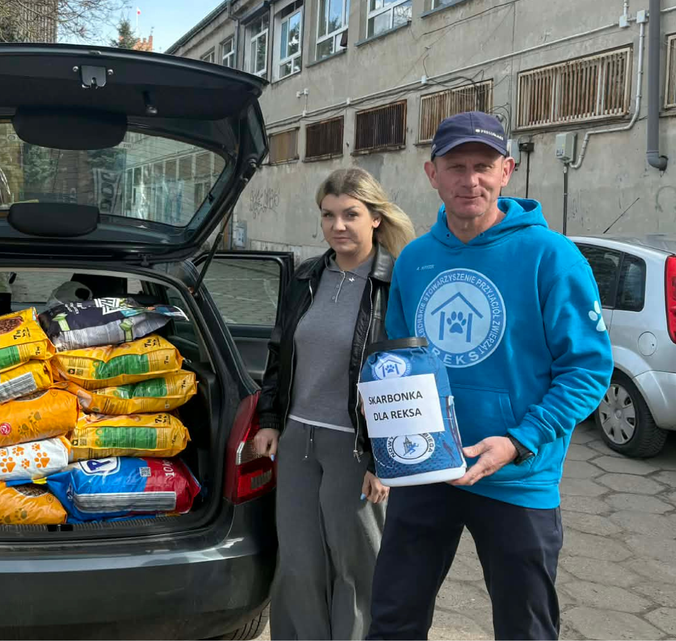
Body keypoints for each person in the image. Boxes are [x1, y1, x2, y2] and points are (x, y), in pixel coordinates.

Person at [366, 112, 613, 640]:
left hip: (517, 479)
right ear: (433, 174)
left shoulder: (552, 256)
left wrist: (520, 442)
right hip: (428, 472)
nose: (469, 179)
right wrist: (388, 446)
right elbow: (401, 366)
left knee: (524, 628)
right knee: (392, 617)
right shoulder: (414, 259)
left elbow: (588, 370)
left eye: (482, 166)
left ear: (507, 170)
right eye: (456, 166)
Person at [254, 167, 416, 640]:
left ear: (376, 220)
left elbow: (406, 377)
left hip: (356, 448)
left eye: (351, 214)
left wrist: (386, 458)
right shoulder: (306, 276)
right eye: (328, 215)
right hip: (298, 439)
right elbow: (280, 351)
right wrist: (268, 419)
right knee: (298, 564)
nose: (338, 226)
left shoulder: (393, 283)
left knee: (356, 568)